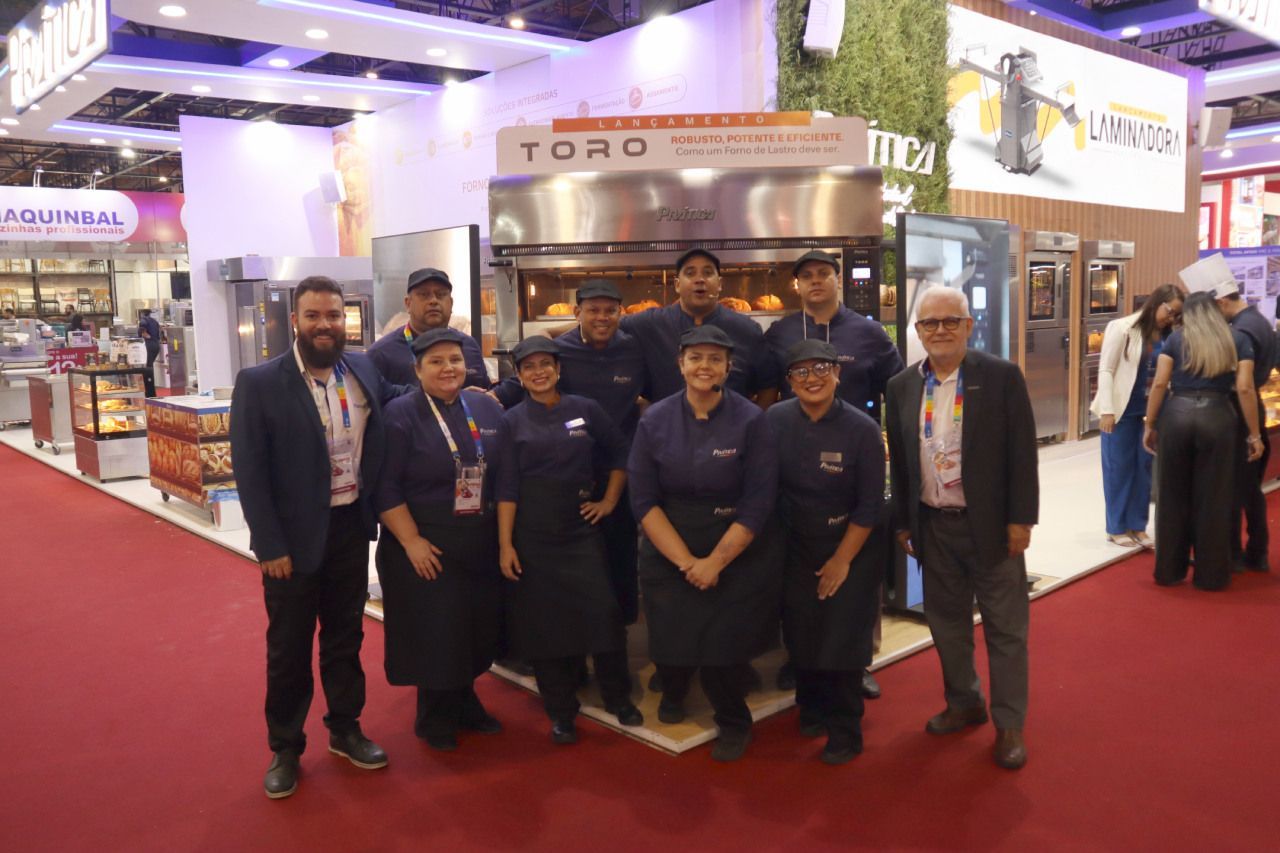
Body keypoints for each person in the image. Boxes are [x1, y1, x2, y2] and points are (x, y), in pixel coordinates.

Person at [230, 275, 401, 800]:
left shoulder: (364, 368)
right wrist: (270, 544)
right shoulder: (260, 383)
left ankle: (345, 729)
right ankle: (285, 747)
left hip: (350, 527)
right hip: (294, 541)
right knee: (288, 647)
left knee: (345, 638)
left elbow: (402, 399)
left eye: (334, 316)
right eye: (314, 316)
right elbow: (250, 471)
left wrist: (472, 390)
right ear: (295, 322)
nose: (326, 325)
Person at [885, 287, 1039, 771]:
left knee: (1005, 630)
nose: (940, 331)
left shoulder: (1000, 377)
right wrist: (905, 522)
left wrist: (1021, 519)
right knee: (947, 625)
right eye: (930, 324)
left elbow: (1022, 454)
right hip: (933, 526)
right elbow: (904, 464)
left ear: (969, 326)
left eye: (951, 321)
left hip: (990, 527)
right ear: (917, 332)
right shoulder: (903, 386)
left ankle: (1009, 725)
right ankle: (963, 701)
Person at [627, 324, 781, 762]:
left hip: (733, 545)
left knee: (723, 647)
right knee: (671, 636)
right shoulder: (654, 419)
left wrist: (714, 562)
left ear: (728, 368)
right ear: (680, 364)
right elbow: (644, 500)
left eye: (715, 359)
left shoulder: (752, 419)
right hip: (669, 541)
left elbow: (758, 500)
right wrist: (685, 563)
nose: (704, 366)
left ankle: (733, 722)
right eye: (695, 358)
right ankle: (673, 693)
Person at [764, 249, 903, 698]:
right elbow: (767, 391)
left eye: (824, 273)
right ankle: (798, 658)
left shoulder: (869, 333)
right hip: (797, 457)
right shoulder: (782, 332)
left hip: (854, 452)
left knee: (859, 577)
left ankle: (859, 659)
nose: (816, 281)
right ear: (798, 286)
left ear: (838, 280)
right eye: (807, 276)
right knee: (798, 577)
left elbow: (895, 390)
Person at [497, 337, 642, 743]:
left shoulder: (585, 410)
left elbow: (620, 453)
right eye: (529, 367)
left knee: (604, 616)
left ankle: (619, 698)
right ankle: (561, 711)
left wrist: (610, 500)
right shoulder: (511, 421)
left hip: (580, 530)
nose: (539, 372)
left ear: (558, 370)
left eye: (546, 364)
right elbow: (506, 488)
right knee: (543, 627)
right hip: (532, 533)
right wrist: (506, 545)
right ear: (520, 375)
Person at [374, 327, 506, 752]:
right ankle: (434, 714)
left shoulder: (485, 408)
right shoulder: (398, 415)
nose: (448, 368)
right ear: (417, 369)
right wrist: (410, 540)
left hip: (477, 538)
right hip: (424, 539)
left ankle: (466, 702)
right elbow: (384, 486)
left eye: (455, 360)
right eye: (436, 361)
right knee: (437, 630)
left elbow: (502, 472)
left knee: (473, 626)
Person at [493, 280, 648, 624]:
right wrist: (493, 396)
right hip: (571, 472)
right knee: (579, 566)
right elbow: (529, 381)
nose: (602, 317)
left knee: (620, 556)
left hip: (618, 473)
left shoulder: (635, 349)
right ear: (578, 313)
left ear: (621, 313)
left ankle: (615, 641)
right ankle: (575, 636)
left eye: (610, 310)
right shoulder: (559, 351)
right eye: (593, 310)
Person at [767, 340, 884, 765]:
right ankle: (811, 708)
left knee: (842, 641)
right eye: (800, 372)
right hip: (795, 545)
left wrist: (841, 561)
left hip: (850, 544)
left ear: (837, 373)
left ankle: (845, 729)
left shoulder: (862, 429)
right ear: (789, 382)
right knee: (801, 632)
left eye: (820, 369)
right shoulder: (775, 421)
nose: (811, 378)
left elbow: (870, 506)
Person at [1143, 291, 1262, 590]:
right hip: (1218, 417)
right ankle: (1210, 576)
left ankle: (1169, 571)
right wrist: (1255, 434)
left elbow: (1160, 382)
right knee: (1215, 498)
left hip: (1177, 415)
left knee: (1172, 497)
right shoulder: (1237, 340)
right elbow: (1245, 389)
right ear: (1216, 311)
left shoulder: (1176, 340)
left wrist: (1150, 423)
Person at [1090, 283, 1184, 547]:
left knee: (1144, 469)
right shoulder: (1122, 328)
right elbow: (1106, 370)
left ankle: (1137, 524)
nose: (1171, 318)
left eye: (1176, 315)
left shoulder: (1169, 336)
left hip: (1152, 413)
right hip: (1121, 411)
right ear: (1157, 302)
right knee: (1118, 468)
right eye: (1170, 311)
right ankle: (1116, 526)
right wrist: (1107, 410)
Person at [621, 248, 779, 405]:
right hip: (668, 427)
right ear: (677, 285)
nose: (700, 279)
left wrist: (753, 424)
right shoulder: (650, 324)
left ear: (719, 284)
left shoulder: (746, 330)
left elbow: (768, 385)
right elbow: (605, 325)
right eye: (690, 273)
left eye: (708, 273)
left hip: (730, 427)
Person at [1219, 285, 1276, 572]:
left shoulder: (1241, 331)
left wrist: (1253, 434)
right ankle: (1257, 552)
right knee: (1250, 488)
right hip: (1253, 410)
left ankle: (1236, 554)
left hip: (1242, 414)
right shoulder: (1260, 321)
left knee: (1232, 488)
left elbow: (1243, 386)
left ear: (1223, 301)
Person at [367, 267, 490, 390]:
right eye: (424, 295)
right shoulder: (382, 353)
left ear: (451, 303)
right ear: (408, 304)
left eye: (441, 294)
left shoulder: (468, 345)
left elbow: (486, 393)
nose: (433, 301)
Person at [138, 308, 161, 396]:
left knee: (147, 368)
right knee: (150, 366)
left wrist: (146, 335)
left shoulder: (143, 320)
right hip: (156, 345)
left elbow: (143, 330)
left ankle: (149, 392)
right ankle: (151, 391)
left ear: (142, 313)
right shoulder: (154, 321)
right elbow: (160, 332)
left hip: (148, 345)